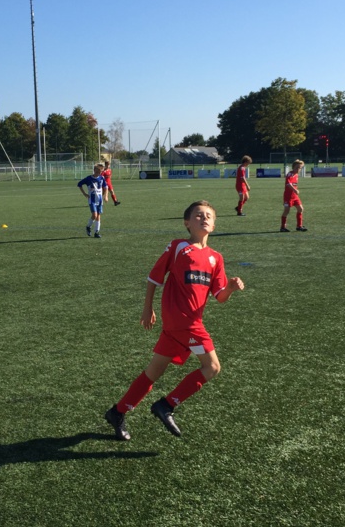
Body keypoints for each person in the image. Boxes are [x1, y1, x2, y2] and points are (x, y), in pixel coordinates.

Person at [105, 200, 244, 441]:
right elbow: (154, 277)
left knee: (153, 372)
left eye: (209, 215)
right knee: (212, 367)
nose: (204, 218)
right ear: (187, 223)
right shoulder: (179, 246)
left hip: (182, 325)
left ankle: (117, 412)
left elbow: (220, 297)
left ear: (214, 224)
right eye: (198, 215)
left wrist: (230, 288)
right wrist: (147, 308)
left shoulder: (216, 258)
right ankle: (166, 405)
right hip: (183, 322)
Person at [78, 164, 108, 238]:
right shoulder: (88, 178)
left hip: (100, 200)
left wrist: (106, 196)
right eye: (97, 172)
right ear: (94, 170)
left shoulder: (101, 178)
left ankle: (96, 232)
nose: (98, 173)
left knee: (98, 216)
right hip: (92, 200)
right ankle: (88, 226)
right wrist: (84, 194)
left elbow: (106, 187)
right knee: (94, 215)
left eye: (100, 172)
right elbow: (79, 184)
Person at [280, 159, 307, 232]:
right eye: (297, 167)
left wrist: (295, 191)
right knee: (286, 211)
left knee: (300, 209)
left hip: (295, 196)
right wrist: (295, 190)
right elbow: (288, 184)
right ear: (293, 167)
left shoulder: (296, 175)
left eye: (300, 168)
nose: (298, 169)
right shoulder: (290, 174)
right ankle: (282, 227)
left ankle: (299, 226)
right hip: (288, 196)